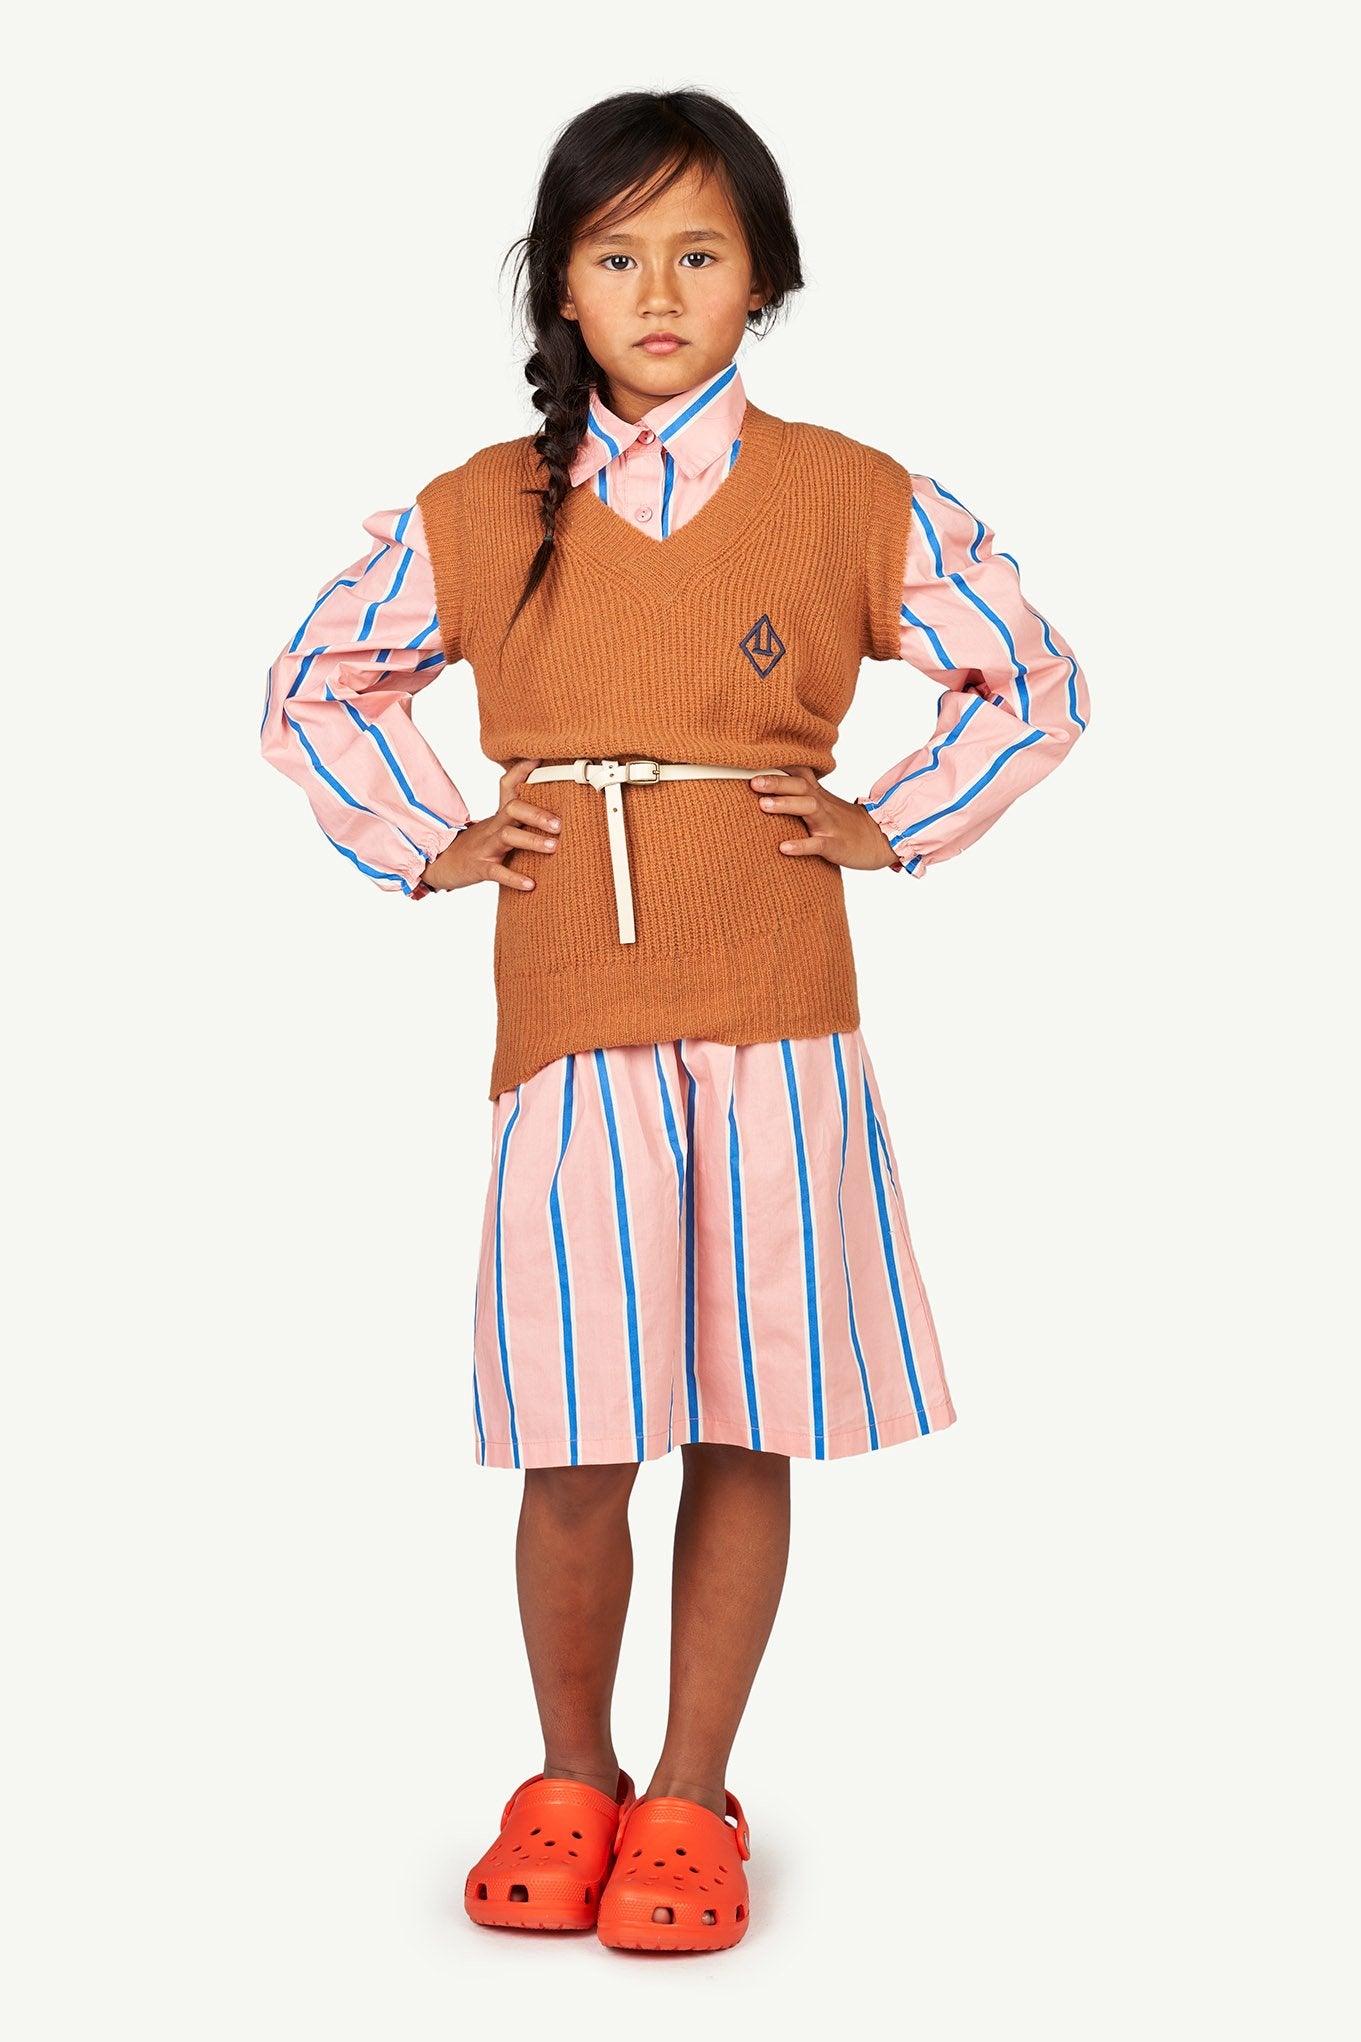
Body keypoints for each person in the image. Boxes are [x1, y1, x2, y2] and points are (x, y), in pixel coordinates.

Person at [259, 87, 1090, 1955]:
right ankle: (571, 1773)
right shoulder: (489, 506)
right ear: (558, 287)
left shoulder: (848, 493)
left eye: (698, 253)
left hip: (778, 1010)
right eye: (615, 254)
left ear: (760, 282)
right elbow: (313, 684)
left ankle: (693, 1794)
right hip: (571, 1013)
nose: (657, 291)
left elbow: (1032, 676)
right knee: (575, 1432)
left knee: (744, 1411)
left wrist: (894, 818)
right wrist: (430, 839)